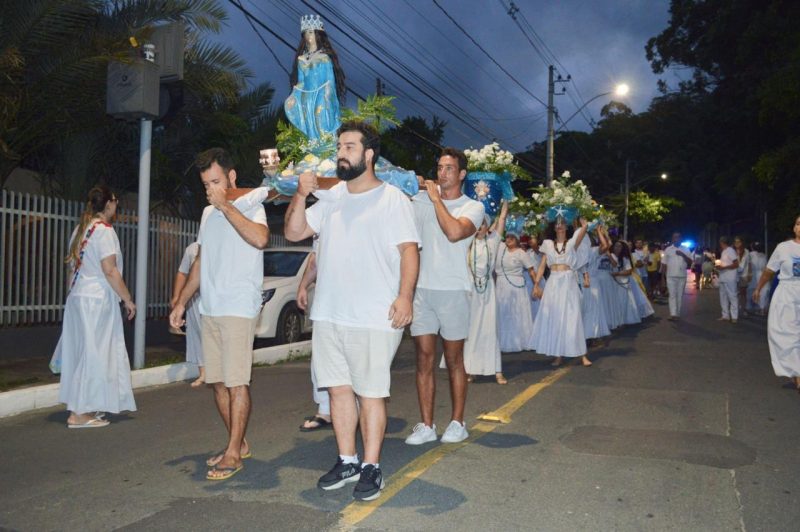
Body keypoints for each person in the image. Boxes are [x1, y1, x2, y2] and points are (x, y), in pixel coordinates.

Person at [285, 120, 419, 501]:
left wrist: (405, 296)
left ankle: (371, 466)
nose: (341, 153)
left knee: (370, 393)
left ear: (369, 154)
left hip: (376, 315)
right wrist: (301, 194)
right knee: (338, 390)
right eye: (339, 147)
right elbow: (294, 233)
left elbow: (409, 251)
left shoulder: (392, 198)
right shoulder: (330, 199)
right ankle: (347, 459)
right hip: (330, 313)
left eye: (349, 146)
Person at [169, 148, 269, 481]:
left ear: (231, 177)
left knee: (237, 382)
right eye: (205, 184)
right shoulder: (207, 215)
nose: (210, 189)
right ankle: (237, 444)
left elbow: (260, 239)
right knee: (217, 382)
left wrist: (225, 205)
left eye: (215, 181)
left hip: (238, 307)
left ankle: (233, 453)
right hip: (209, 308)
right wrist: (182, 302)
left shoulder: (252, 204)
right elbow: (201, 261)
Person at [406, 147, 485, 446]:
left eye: (449, 168)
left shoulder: (472, 207)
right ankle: (427, 425)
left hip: (454, 291)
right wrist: (406, 185)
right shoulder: (421, 200)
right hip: (423, 290)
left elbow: (453, 232)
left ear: (462, 174)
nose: (442, 173)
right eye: (439, 167)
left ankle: (457, 422)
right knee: (424, 359)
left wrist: (435, 198)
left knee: (453, 360)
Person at [51, 186, 136, 428]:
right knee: (95, 353)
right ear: (108, 204)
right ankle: (78, 413)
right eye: (115, 201)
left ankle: (85, 406)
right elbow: (110, 270)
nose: (116, 205)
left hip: (78, 298)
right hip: (97, 300)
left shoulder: (81, 229)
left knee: (82, 352)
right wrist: (128, 299)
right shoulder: (105, 231)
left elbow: (72, 269)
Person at [531, 216, 591, 367]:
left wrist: (583, 223)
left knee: (573, 317)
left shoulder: (571, 243)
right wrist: (536, 284)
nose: (559, 226)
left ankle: (582, 355)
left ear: (567, 226)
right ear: (553, 227)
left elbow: (583, 231)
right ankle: (558, 355)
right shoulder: (548, 244)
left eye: (563, 223)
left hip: (568, 281)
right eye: (557, 224)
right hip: (553, 282)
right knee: (556, 318)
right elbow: (542, 266)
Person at [461, 201, 508, 384]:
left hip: (488, 291)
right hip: (471, 291)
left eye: (483, 224)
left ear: (487, 227)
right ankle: (470, 369)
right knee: (472, 330)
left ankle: (497, 370)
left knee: (490, 329)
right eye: (477, 225)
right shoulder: (467, 244)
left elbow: (502, 219)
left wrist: (504, 203)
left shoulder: (493, 242)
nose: (480, 228)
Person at [752, 215, 800, 391]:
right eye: (798, 223)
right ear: (794, 228)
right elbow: (769, 271)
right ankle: (797, 374)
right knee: (789, 334)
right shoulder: (783, 248)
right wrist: (758, 288)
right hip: (787, 294)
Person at [284, 15, 346, 140]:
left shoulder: (324, 57)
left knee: (320, 117)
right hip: (307, 96)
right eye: (306, 33)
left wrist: (328, 94)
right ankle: (313, 146)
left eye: (311, 32)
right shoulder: (301, 59)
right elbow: (301, 81)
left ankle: (326, 144)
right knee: (309, 122)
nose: (308, 36)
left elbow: (330, 80)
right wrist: (294, 94)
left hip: (322, 93)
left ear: (317, 35)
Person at [296, 246, 332, 431]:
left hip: (357, 303)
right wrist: (303, 285)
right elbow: (314, 259)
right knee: (320, 361)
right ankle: (325, 410)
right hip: (325, 304)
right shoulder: (322, 220)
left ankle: (358, 408)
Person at [495, 231, 537, 352]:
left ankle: (520, 341)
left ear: (517, 240)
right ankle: (502, 342)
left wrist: (536, 286)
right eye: (507, 237)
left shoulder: (521, 253)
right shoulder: (500, 249)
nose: (509, 239)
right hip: (501, 286)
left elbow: (531, 271)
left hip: (516, 287)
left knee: (516, 313)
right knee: (503, 312)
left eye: (512, 237)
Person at [170, 242, 204, 387]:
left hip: (216, 298)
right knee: (197, 334)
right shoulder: (191, 249)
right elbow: (182, 272)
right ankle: (203, 373)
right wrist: (177, 297)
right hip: (194, 299)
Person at [582, 227, 612, 343]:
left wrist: (600, 232)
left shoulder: (594, 250)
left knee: (594, 309)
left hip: (593, 283)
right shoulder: (577, 251)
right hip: (580, 283)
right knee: (583, 309)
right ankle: (584, 335)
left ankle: (593, 335)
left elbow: (607, 245)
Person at [660, 232, 692, 320]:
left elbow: (690, 262)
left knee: (679, 295)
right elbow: (664, 264)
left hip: (682, 276)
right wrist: (662, 278)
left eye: (678, 237)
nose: (676, 239)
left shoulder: (686, 249)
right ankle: (673, 314)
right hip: (670, 275)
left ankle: (677, 313)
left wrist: (683, 255)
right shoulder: (668, 250)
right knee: (672, 294)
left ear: (681, 239)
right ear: (672, 239)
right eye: (675, 237)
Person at [610, 240, 642, 326]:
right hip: (611, 284)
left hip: (623, 283)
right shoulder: (610, 256)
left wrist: (617, 274)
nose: (617, 248)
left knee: (623, 302)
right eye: (616, 246)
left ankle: (622, 321)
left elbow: (629, 271)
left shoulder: (625, 258)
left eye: (619, 246)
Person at [717, 236, 740, 323]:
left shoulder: (730, 250)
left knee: (732, 296)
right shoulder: (724, 251)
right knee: (723, 297)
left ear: (722, 242)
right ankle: (725, 315)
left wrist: (724, 267)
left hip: (730, 277)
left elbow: (736, 264)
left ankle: (734, 316)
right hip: (723, 277)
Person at [746, 242, 769, 315]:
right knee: (764, 292)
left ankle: (753, 308)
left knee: (754, 291)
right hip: (764, 274)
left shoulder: (750, 255)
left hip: (755, 275)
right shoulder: (764, 255)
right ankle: (762, 308)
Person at [734, 236, 751, 315]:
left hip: (743, 275)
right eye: (735, 242)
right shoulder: (733, 251)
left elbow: (744, 265)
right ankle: (735, 309)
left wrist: (749, 274)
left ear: (742, 243)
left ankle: (743, 309)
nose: (737, 244)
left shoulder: (746, 252)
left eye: (739, 242)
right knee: (734, 293)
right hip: (734, 275)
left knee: (743, 293)